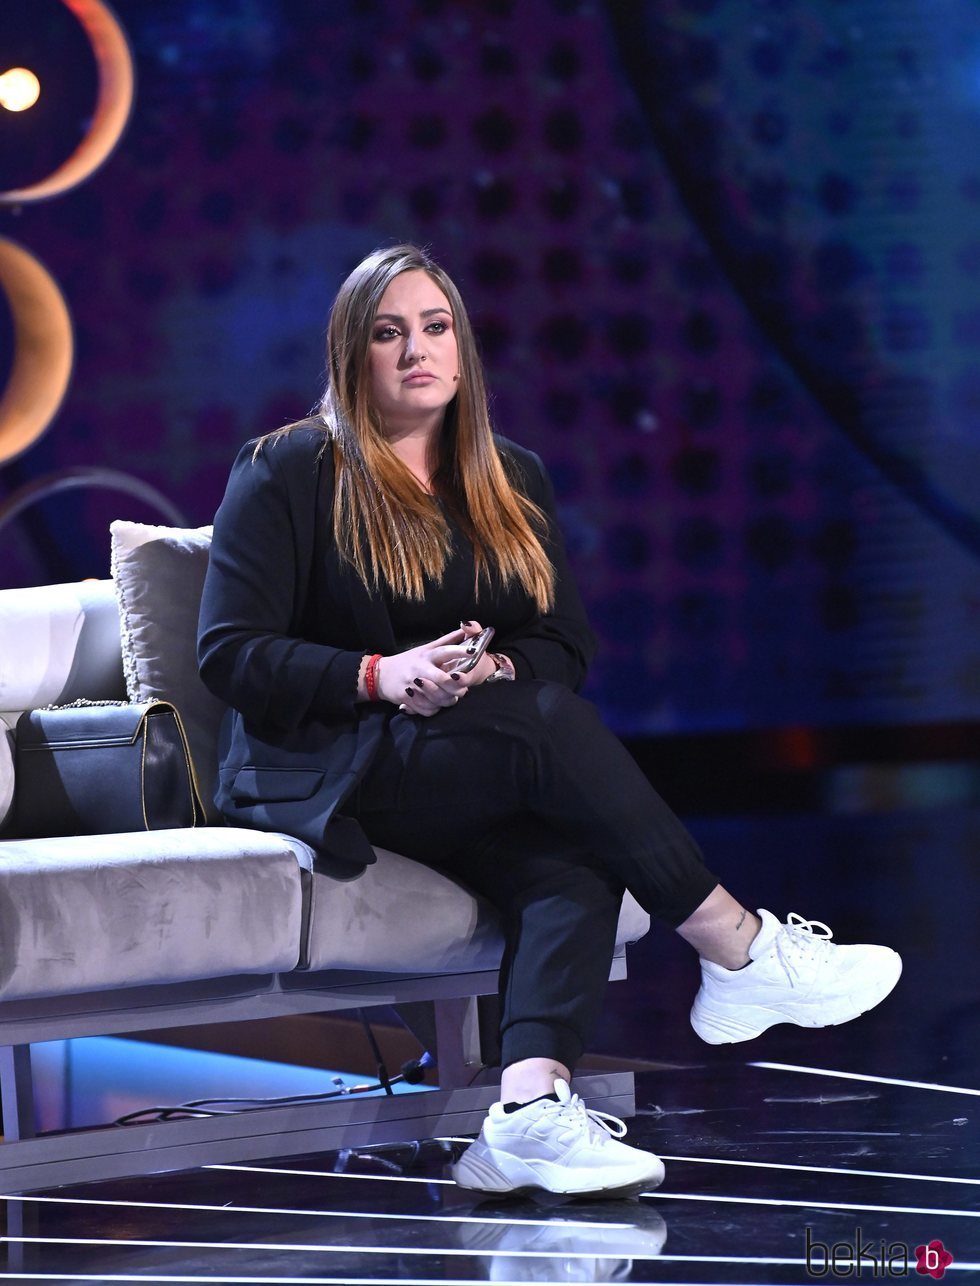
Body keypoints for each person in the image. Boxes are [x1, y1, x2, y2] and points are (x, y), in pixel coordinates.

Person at [197, 243, 902, 1199]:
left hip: (467, 755)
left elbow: (562, 642)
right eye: (388, 334)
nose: (417, 352)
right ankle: (736, 945)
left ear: (464, 346)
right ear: (350, 355)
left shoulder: (509, 475)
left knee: (572, 848)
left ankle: (528, 1114)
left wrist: (487, 668)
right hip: (332, 765)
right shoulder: (286, 471)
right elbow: (230, 653)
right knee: (544, 722)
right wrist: (382, 672)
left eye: (436, 328)